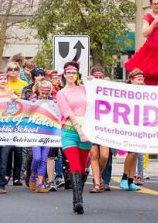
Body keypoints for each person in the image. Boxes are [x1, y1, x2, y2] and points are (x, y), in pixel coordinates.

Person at [57, 61, 91, 215]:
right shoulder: (61, 93)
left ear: (77, 74)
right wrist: (80, 132)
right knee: (75, 165)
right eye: (68, 72)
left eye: (73, 72)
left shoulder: (84, 89)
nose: (71, 75)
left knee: (83, 168)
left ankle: (79, 197)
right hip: (70, 133)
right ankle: (77, 201)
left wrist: (94, 83)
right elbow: (68, 113)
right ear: (64, 74)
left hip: (87, 133)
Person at [119, 69, 144, 191]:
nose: (141, 82)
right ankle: (124, 177)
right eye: (138, 80)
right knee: (131, 152)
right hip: (128, 126)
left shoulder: (145, 93)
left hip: (139, 126)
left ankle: (130, 180)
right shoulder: (125, 92)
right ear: (131, 80)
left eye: (142, 79)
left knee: (136, 153)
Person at [29, 79, 55, 193]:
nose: (44, 96)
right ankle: (33, 173)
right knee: (37, 157)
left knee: (44, 158)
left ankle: (40, 183)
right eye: (42, 93)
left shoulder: (53, 101)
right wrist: (32, 104)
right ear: (39, 91)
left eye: (47, 93)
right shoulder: (32, 100)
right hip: (35, 133)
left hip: (48, 134)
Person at [88, 65, 110, 193]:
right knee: (94, 155)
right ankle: (97, 183)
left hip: (106, 127)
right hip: (91, 125)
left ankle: (99, 176)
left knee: (104, 156)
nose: (97, 79)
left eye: (100, 77)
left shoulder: (109, 90)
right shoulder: (87, 89)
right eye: (95, 77)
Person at [5, 62, 27, 186]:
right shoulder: (4, 83)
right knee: (7, 149)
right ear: (7, 71)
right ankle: (7, 174)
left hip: (20, 119)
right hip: (6, 119)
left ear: (19, 71)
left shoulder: (24, 84)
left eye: (16, 69)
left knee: (19, 149)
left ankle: (17, 176)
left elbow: (27, 99)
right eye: (10, 69)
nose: (13, 71)